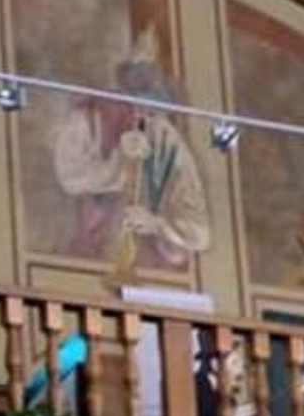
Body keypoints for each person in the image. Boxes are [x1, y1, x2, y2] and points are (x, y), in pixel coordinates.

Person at [48, 29, 210, 276]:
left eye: (148, 78)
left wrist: (157, 223)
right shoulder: (90, 119)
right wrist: (120, 161)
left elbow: (199, 230)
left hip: (152, 274)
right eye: (136, 76)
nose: (142, 89)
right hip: (88, 262)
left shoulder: (165, 137)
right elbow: (69, 178)